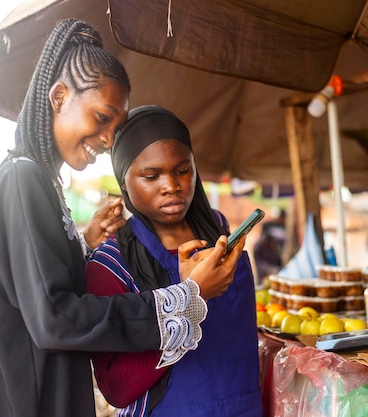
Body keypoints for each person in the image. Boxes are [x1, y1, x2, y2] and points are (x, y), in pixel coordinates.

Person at [0, 19, 243, 417]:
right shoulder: (23, 179)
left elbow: (34, 287)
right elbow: (55, 317)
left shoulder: (38, 182)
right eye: (101, 118)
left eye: (115, 128)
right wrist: (181, 299)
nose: (107, 140)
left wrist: (80, 243)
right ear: (59, 97)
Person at [85, 105, 263, 417]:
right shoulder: (111, 264)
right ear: (124, 183)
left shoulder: (219, 230)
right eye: (151, 176)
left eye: (182, 170)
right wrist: (188, 297)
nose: (171, 186)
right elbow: (116, 387)